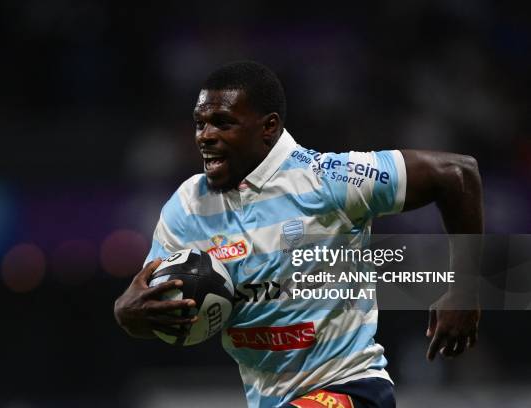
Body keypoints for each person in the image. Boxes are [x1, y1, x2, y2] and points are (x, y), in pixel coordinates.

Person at [114, 61, 482, 408]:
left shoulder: (328, 180)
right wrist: (128, 313)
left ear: (268, 128)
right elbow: (153, 300)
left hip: (353, 388)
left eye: (222, 123)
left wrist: (465, 288)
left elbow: (458, 173)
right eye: (199, 123)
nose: (205, 136)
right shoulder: (187, 207)